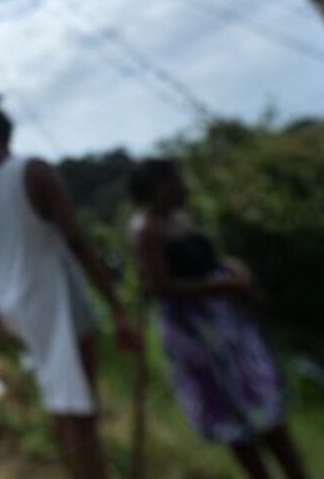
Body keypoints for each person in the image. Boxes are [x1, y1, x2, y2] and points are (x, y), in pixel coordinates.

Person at [0, 95, 139, 479]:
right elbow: (75, 239)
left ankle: (75, 467)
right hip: (56, 299)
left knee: (61, 400)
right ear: (8, 132)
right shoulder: (34, 171)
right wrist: (117, 307)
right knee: (81, 409)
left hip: (17, 310)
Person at [127, 158, 309, 479]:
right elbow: (161, 286)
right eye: (175, 180)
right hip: (198, 338)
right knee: (235, 420)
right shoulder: (146, 229)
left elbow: (205, 259)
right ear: (158, 187)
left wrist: (233, 268)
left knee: (267, 410)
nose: (184, 186)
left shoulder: (179, 217)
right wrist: (221, 284)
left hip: (229, 329)